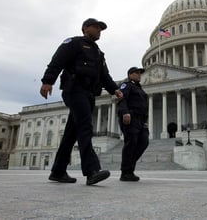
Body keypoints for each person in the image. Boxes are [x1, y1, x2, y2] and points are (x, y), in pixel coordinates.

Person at [40, 18, 123, 185]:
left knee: (71, 134)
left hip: (89, 94)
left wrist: (115, 89)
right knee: (85, 126)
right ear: (86, 28)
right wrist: (48, 81)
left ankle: (58, 171)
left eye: (101, 28)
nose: (99, 31)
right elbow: (58, 61)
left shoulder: (98, 53)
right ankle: (92, 171)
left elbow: (104, 76)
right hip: (74, 89)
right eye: (96, 27)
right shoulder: (74, 43)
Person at [117, 67, 149, 181]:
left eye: (140, 73)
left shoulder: (139, 88)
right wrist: (125, 112)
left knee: (144, 142)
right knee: (131, 143)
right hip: (130, 117)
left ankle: (129, 167)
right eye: (137, 73)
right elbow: (122, 99)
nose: (140, 75)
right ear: (130, 74)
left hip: (141, 120)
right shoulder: (126, 85)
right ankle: (126, 172)